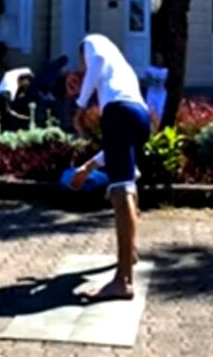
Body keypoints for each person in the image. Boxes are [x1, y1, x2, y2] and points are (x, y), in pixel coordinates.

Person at [68, 34, 150, 301]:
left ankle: (123, 280)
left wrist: (79, 108)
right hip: (140, 115)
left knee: (119, 191)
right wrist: (88, 168)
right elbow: (115, 151)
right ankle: (131, 253)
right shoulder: (122, 69)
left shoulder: (92, 42)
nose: (83, 66)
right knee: (128, 180)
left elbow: (97, 60)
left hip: (120, 113)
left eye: (81, 61)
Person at [144, 52, 168, 123]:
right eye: (157, 59)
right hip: (152, 92)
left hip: (161, 93)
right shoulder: (149, 69)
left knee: (160, 111)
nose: (159, 60)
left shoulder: (165, 71)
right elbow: (147, 81)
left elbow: (164, 81)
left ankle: (159, 124)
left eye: (160, 59)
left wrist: (156, 79)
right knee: (150, 110)